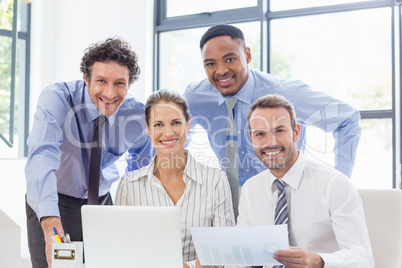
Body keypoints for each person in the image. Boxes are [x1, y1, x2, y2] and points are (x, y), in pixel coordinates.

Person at [25, 37, 154, 268]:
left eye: (119, 83)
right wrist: (51, 225)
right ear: (86, 79)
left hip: (102, 205)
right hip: (54, 203)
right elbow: (42, 157)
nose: (110, 93)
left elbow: (141, 168)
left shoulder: (135, 115)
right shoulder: (58, 99)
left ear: (129, 84)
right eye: (101, 81)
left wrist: (135, 216)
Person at [183, 24, 361, 188]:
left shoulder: (286, 93)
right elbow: (171, 135)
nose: (221, 70)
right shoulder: (197, 97)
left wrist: (340, 185)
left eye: (230, 59)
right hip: (228, 206)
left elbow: (347, 119)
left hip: (285, 200)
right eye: (210, 64)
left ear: (247, 55)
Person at [234, 94, 374, 267]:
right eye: (260, 134)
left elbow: (363, 258)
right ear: (251, 138)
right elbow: (242, 255)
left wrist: (319, 261)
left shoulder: (334, 183)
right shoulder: (251, 188)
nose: (270, 142)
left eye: (279, 130)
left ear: (296, 132)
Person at [115, 89, 235, 268]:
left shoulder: (215, 180)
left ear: (188, 125)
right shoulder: (129, 185)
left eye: (176, 123)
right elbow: (120, 252)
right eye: (158, 125)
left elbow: (226, 253)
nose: (168, 132)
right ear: (148, 129)